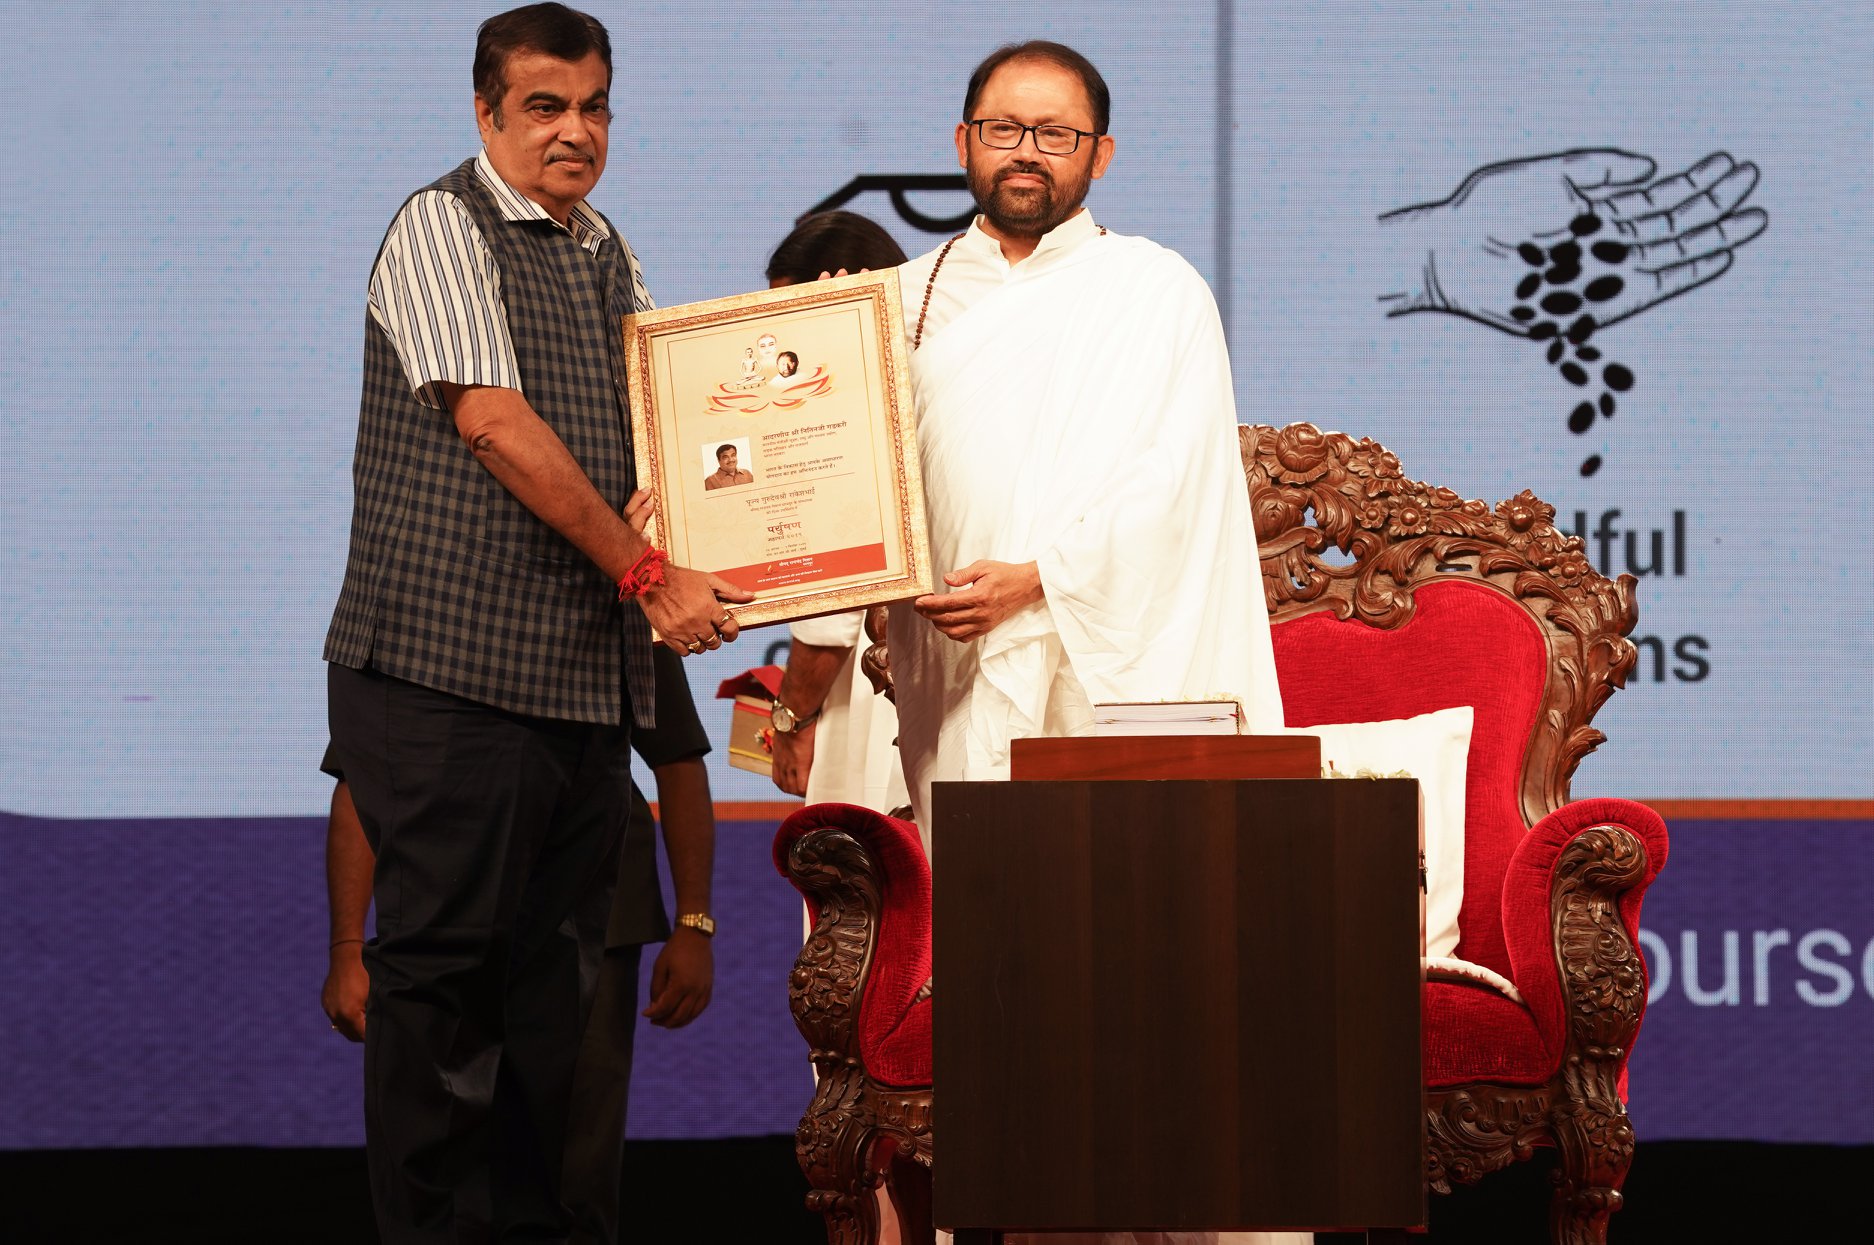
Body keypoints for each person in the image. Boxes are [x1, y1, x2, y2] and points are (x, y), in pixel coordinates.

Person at [320, 6, 750, 1240]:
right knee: (445, 1006)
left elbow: (659, 440)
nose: (576, 132)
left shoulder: (605, 248)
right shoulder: (440, 224)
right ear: (486, 114)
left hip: (576, 696)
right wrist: (650, 573)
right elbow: (495, 425)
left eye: (595, 106)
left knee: (559, 1025)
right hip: (447, 684)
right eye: (545, 108)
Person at [886, 43, 1295, 1245]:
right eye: (1002, 128)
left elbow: (1173, 489)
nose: (1025, 152)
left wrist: (1036, 583)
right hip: (965, 696)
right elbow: (843, 484)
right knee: (1013, 1021)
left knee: (1153, 1014)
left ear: (1098, 155)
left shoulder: (1154, 291)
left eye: (1053, 133)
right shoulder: (898, 305)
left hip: (1120, 695)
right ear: (962, 143)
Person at [321, 650, 715, 1245]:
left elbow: (677, 757)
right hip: (446, 916)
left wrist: (695, 922)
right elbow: (362, 776)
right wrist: (348, 945)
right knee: (439, 1154)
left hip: (595, 910)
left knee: (570, 1167)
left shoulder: (622, 588)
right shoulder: (433, 603)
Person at [761, 212, 912, 817]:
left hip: (874, 698)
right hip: (929, 690)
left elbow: (833, 612)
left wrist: (791, 718)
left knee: (869, 903)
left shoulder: (849, 399)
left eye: (791, 316)